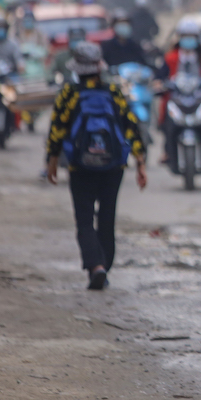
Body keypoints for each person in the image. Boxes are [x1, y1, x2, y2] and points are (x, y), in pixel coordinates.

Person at [45, 41, 147, 290]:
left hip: (81, 167)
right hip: (113, 167)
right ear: (99, 67)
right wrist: (140, 161)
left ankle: (96, 266)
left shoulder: (69, 93)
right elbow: (130, 125)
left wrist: (52, 159)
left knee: (84, 219)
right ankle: (105, 264)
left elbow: (57, 128)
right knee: (107, 216)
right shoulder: (113, 92)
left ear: (76, 69)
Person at [156, 18, 201, 162]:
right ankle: (167, 150)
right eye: (185, 36)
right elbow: (160, 75)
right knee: (167, 119)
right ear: (179, 38)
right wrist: (158, 83)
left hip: (199, 96)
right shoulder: (170, 58)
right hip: (176, 97)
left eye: (191, 37)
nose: (188, 40)